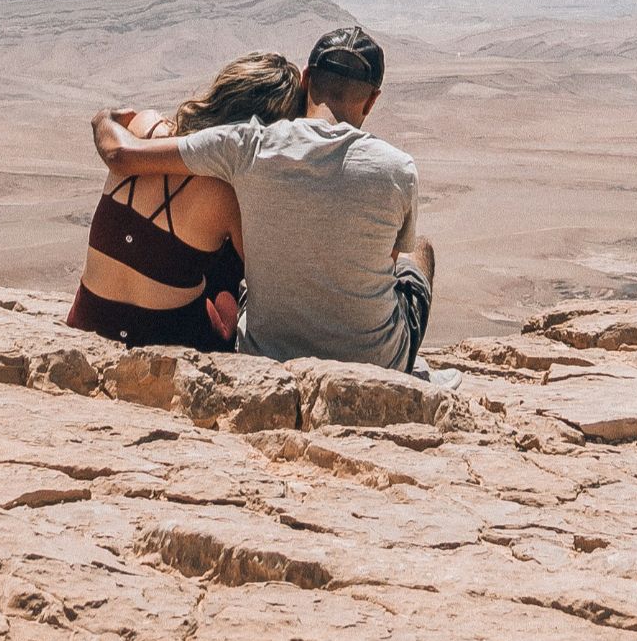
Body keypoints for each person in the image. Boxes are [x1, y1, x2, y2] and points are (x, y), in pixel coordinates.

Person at [90, 27, 446, 380]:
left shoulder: (247, 145)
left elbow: (120, 154)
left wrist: (104, 117)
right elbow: (385, 266)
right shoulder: (398, 168)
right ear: (372, 100)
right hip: (377, 361)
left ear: (306, 79)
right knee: (419, 252)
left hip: (269, 353)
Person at [66, 52, 302, 352]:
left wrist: (103, 117)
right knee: (232, 260)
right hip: (167, 344)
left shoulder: (145, 127)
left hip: (87, 320)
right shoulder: (229, 194)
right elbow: (265, 280)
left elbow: (117, 150)